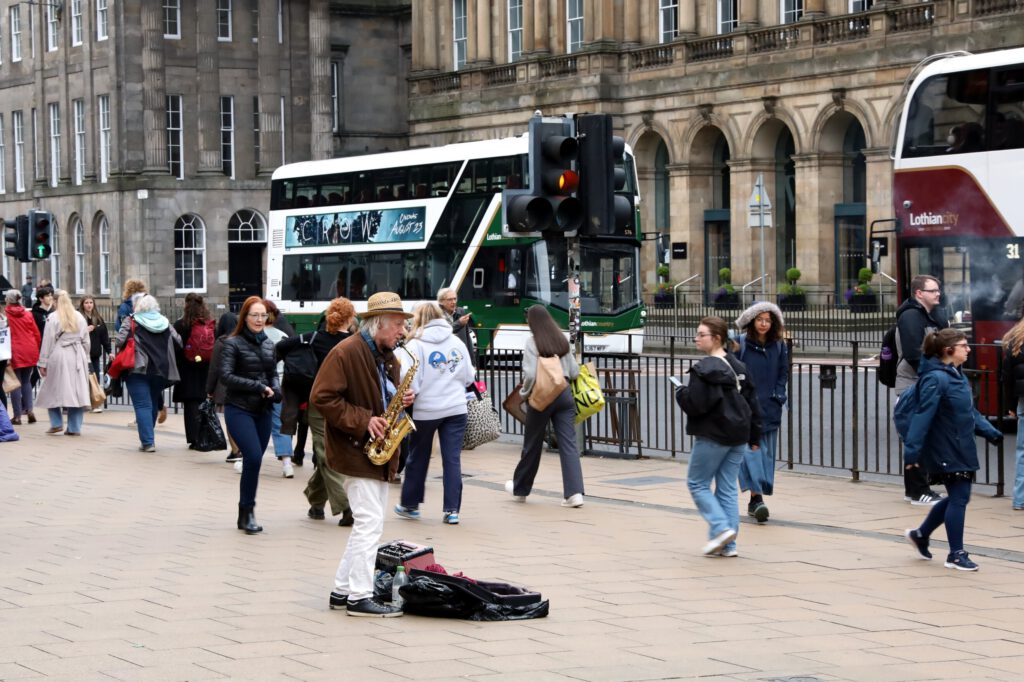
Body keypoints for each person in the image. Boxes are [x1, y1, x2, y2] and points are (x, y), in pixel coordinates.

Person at [311, 291, 414, 617]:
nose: (402, 332)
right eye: (397, 325)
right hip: (356, 449)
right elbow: (322, 396)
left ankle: (342, 592)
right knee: (369, 524)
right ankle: (359, 596)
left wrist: (401, 398)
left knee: (366, 525)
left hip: (374, 450)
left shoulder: (386, 355)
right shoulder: (347, 352)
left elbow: (380, 398)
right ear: (378, 323)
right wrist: (363, 420)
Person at [903, 329, 1002, 571]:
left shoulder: (955, 375)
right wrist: (912, 452)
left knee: (959, 497)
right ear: (948, 351)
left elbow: (967, 412)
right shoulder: (935, 379)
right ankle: (956, 554)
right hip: (945, 447)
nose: (968, 349)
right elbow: (922, 416)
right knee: (959, 497)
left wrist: (989, 431)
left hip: (959, 444)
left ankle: (921, 534)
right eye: (963, 345)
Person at [676, 316, 762, 557]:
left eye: (701, 334)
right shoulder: (739, 367)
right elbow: (752, 403)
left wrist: (681, 392)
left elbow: (697, 405)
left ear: (716, 338)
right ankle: (729, 545)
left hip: (713, 435)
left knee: (697, 483)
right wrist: (755, 436)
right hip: (739, 435)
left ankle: (720, 527)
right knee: (726, 489)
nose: (696, 338)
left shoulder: (704, 369)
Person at [277, 297, 357, 526]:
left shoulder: (311, 338)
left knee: (325, 453)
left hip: (318, 403)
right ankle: (345, 505)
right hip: (344, 405)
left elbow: (279, 348)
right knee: (327, 454)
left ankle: (315, 500)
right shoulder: (355, 343)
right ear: (350, 318)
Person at [394, 302, 475, 525]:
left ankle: (410, 505)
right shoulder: (456, 341)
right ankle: (452, 510)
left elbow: (410, 382)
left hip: (426, 409)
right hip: (456, 407)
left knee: (418, 456)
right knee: (452, 459)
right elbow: (469, 376)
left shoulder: (415, 345)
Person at [504, 304, 584, 508]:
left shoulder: (532, 343)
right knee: (568, 444)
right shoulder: (561, 339)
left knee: (532, 444)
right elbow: (574, 372)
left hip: (541, 396)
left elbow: (530, 374)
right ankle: (574, 494)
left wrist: (524, 393)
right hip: (564, 393)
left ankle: (520, 489)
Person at [220, 297, 281, 535]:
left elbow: (272, 373)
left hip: (262, 409)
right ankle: (248, 511)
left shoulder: (268, 344)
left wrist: (276, 390)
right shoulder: (232, 343)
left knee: (255, 463)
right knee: (253, 456)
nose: (259, 320)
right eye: (254, 315)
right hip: (239, 408)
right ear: (244, 317)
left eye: (263, 315)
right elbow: (226, 376)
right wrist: (257, 387)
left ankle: (244, 513)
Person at [895, 274, 948, 506]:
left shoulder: (934, 315)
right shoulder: (910, 317)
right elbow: (913, 353)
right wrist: (936, 371)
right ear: (919, 293)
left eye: (938, 290)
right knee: (916, 439)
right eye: (932, 290)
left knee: (924, 438)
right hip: (913, 385)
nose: (938, 293)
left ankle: (916, 489)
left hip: (928, 383)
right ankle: (918, 491)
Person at [734, 302, 789, 523]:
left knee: (766, 453)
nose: (764, 324)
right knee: (750, 452)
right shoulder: (741, 344)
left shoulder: (779, 346)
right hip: (746, 407)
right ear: (752, 321)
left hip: (770, 406)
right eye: (759, 319)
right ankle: (757, 498)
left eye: (768, 320)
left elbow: (783, 372)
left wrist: (779, 394)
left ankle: (756, 497)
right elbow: (732, 370)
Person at [114, 294, 180, 452]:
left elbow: (119, 341)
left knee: (142, 405)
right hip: (160, 368)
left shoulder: (131, 320)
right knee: (150, 403)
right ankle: (148, 439)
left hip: (137, 367)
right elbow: (178, 341)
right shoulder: (164, 321)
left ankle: (148, 442)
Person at [35, 290, 91, 436]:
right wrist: (85, 357)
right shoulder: (79, 317)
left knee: (51, 389)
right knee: (77, 392)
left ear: (55, 301)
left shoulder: (52, 318)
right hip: (77, 354)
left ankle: (56, 423)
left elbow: (47, 341)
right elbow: (86, 340)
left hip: (59, 354)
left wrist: (43, 363)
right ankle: (74, 427)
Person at [116, 279, 166, 425]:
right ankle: (159, 407)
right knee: (151, 391)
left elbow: (120, 334)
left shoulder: (126, 308)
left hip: (135, 356)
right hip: (157, 359)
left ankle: (146, 431)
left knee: (141, 400)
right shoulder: (155, 311)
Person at [173, 293, 213, 448]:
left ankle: (193, 439)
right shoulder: (208, 323)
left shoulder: (181, 324)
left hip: (187, 368)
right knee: (203, 403)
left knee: (190, 406)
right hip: (204, 367)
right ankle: (205, 436)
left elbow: (176, 347)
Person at [262, 299, 295, 478]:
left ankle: (247, 460)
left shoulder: (252, 336)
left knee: (255, 423)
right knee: (279, 423)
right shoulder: (282, 335)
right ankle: (287, 463)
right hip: (279, 384)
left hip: (259, 384)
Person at [206, 312, 242, 464]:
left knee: (231, 419)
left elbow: (214, 369)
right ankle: (243, 447)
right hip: (242, 384)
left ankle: (235, 450)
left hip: (225, 386)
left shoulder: (221, 342)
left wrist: (209, 389)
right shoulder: (243, 340)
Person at [5, 290, 41, 424]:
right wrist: (36, 349)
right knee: (26, 381)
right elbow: (36, 333)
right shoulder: (28, 314)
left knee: (15, 383)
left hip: (14, 350)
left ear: (8, 300)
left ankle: (17, 415)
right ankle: (30, 410)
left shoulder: (6, 315)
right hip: (30, 349)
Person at [1001, 318, 1024, 512]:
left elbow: (1006, 377)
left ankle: (1019, 499)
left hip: (1023, 401)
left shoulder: (1014, 338)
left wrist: (1010, 405)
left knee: (1022, 452)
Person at [79, 296, 111, 413]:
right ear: (82, 305)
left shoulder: (98, 318)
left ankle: (95, 403)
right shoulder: (79, 318)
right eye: (86, 303)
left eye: (91, 302)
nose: (89, 305)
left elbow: (105, 337)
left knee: (95, 378)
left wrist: (109, 351)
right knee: (82, 379)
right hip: (81, 354)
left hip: (95, 353)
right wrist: (84, 330)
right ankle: (83, 402)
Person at [437, 287, 476, 362]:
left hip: (460, 357)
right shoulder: (436, 314)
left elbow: (467, 339)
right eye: (450, 299)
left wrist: (472, 362)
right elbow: (441, 333)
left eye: (455, 299)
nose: (453, 302)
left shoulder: (461, 312)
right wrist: (459, 323)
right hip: (445, 358)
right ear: (441, 302)